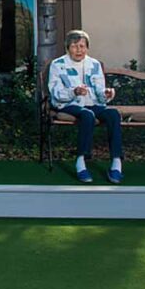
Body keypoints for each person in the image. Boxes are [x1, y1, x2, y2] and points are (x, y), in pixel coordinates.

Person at [48, 29, 122, 184]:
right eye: (74, 46)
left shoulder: (94, 64)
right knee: (87, 115)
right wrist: (73, 91)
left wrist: (107, 94)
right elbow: (55, 92)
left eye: (82, 46)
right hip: (68, 104)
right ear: (67, 48)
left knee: (113, 114)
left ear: (87, 48)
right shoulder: (58, 64)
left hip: (92, 103)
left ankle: (116, 163)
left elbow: (100, 91)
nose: (79, 50)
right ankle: (81, 161)